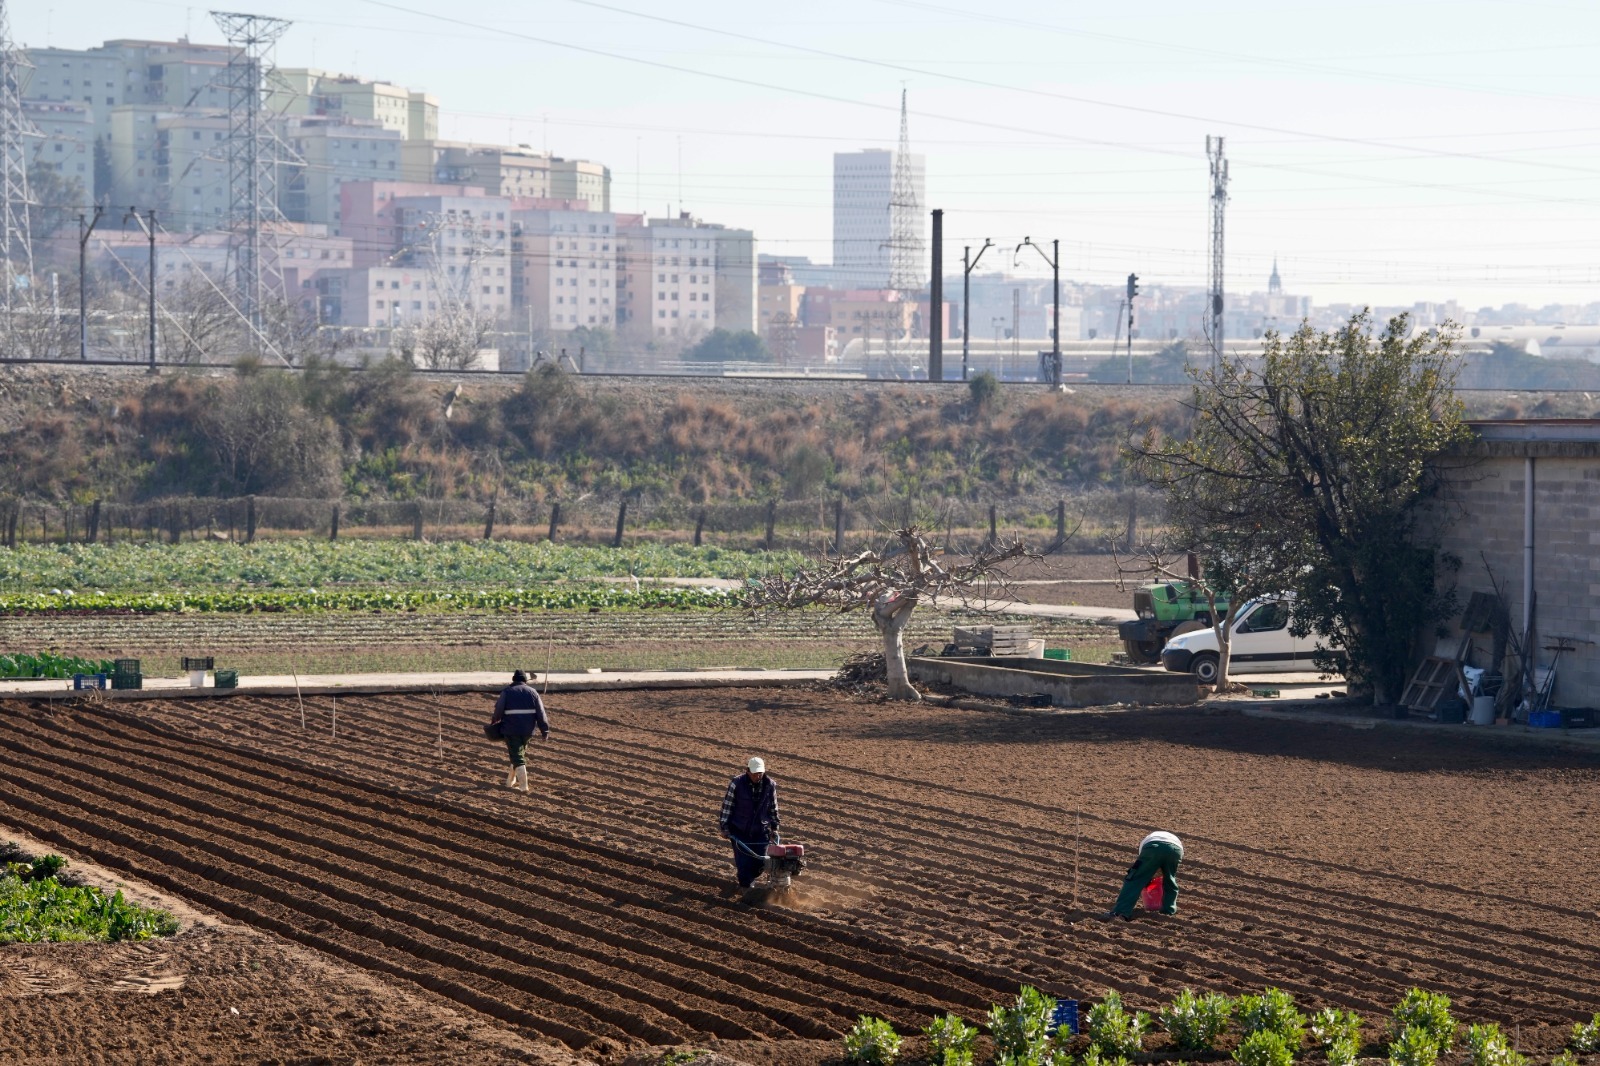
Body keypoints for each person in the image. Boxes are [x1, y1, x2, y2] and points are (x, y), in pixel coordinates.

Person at [718, 756, 780, 889]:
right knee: (744, 865)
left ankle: (746, 880)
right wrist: (724, 827)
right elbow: (727, 806)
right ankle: (747, 890)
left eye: (760, 773)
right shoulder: (737, 784)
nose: (758, 776)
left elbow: (773, 808)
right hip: (740, 830)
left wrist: (774, 826)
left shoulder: (770, 785)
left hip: (761, 830)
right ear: (747, 771)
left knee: (761, 862)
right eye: (755, 773)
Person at [490, 670, 550, 792]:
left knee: (517, 756)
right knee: (518, 754)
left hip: (511, 730)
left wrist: (494, 721)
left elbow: (499, 710)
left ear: (513, 680)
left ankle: (523, 787)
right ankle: (510, 782)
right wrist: (545, 731)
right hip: (528, 730)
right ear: (525, 681)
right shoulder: (533, 692)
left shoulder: (507, 692)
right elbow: (541, 713)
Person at [1103, 830, 1183, 920]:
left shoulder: (1145, 845)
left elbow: (1146, 866)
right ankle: (1168, 911)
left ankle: (1120, 912)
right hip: (1176, 850)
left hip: (1153, 847)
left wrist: (1146, 879)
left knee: (1135, 879)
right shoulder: (1167, 838)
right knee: (1170, 880)